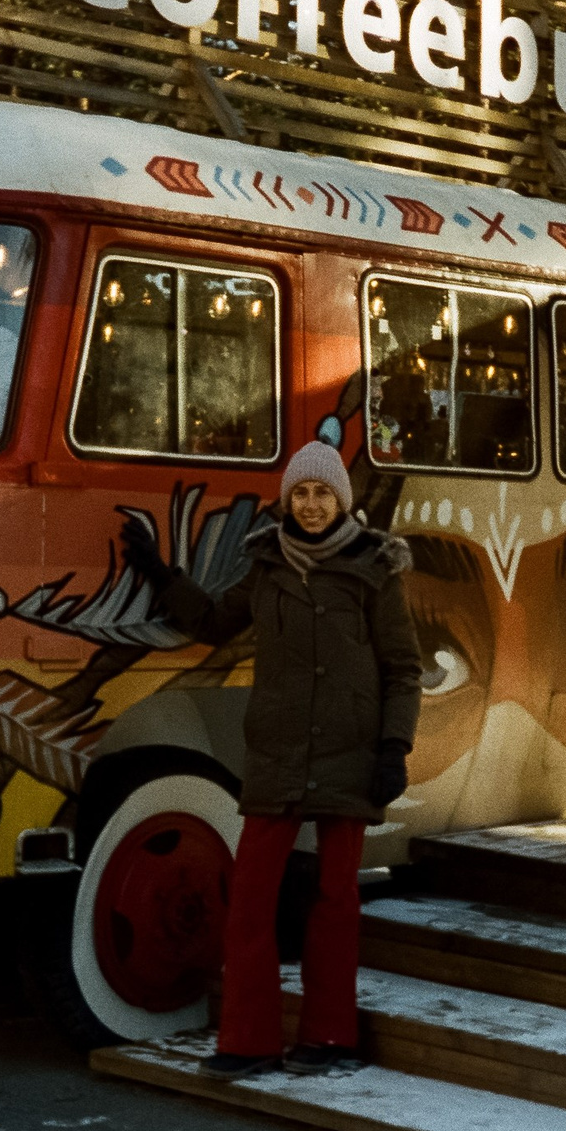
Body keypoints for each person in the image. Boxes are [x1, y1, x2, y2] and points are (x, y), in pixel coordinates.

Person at [119, 439, 422, 1080]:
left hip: (349, 753)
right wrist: (160, 575)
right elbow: (214, 622)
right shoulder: (269, 564)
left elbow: (402, 669)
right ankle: (249, 1041)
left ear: (341, 500)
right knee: (252, 899)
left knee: (334, 899)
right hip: (278, 753)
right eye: (300, 494)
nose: (311, 505)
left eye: (322, 494)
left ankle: (330, 1037)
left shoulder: (375, 569)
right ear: (288, 501)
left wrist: (394, 749)